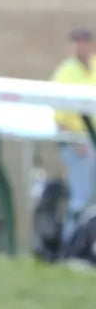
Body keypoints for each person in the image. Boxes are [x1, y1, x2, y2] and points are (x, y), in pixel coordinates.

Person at [51, 27, 96, 255]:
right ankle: (71, 245)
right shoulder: (66, 72)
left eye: (85, 41)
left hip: (94, 139)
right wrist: (75, 143)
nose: (82, 46)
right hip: (77, 142)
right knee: (81, 196)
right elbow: (60, 115)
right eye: (77, 42)